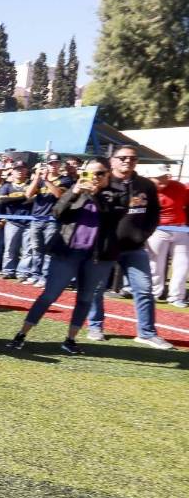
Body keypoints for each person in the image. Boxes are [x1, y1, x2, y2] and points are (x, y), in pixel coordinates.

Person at [6, 159, 120, 355]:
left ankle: (70, 340)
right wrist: (77, 192)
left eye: (100, 173)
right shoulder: (76, 190)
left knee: (85, 299)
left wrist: (96, 196)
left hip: (97, 256)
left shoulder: (114, 195)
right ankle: (21, 335)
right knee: (49, 295)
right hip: (68, 252)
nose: (95, 178)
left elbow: (114, 219)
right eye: (89, 173)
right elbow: (58, 212)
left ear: (108, 174)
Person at [84, 145, 172, 349]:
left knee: (144, 290)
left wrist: (144, 234)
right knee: (97, 289)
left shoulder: (146, 185)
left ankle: (147, 333)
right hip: (105, 247)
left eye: (132, 158)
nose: (127, 161)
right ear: (112, 160)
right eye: (122, 158)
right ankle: (95, 326)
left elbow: (154, 214)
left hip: (134, 248)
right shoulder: (101, 182)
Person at [22, 155, 73, 287]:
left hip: (52, 219)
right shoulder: (40, 180)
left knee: (49, 250)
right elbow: (28, 194)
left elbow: (59, 194)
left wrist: (47, 181)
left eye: (55, 163)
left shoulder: (65, 180)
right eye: (51, 163)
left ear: (59, 164)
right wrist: (38, 178)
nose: (53, 165)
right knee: (36, 249)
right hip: (37, 218)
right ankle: (35, 274)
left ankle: (45, 276)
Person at [147, 165, 188, 308]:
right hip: (158, 230)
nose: (163, 180)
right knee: (155, 264)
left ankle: (176, 296)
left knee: (182, 264)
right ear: (150, 178)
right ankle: (153, 293)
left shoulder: (179, 187)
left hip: (181, 229)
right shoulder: (146, 190)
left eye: (164, 176)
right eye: (158, 178)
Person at [0, 164, 32, 280]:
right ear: (13, 172)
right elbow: (1, 200)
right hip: (12, 220)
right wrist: (22, 196)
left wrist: (13, 199)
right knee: (10, 248)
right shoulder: (7, 186)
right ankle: (8, 270)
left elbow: (32, 198)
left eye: (22, 169)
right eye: (17, 170)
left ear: (26, 171)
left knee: (28, 250)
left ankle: (22, 273)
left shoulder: (31, 184)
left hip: (29, 221)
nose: (20, 172)